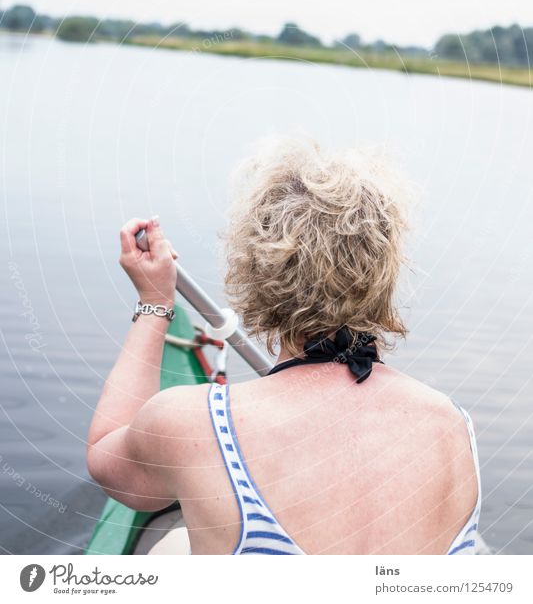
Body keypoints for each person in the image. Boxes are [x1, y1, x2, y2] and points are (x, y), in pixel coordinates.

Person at [86, 138, 481, 555]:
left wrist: (155, 303)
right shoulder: (453, 425)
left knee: (171, 550)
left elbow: (106, 458)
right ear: (384, 272)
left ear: (257, 271)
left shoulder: (195, 424)